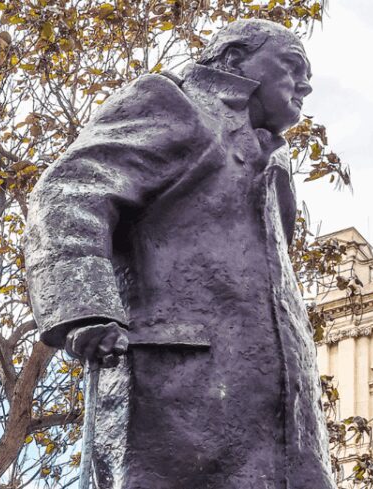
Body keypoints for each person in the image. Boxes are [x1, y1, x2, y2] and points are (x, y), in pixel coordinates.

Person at [24, 19, 335, 489]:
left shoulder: (274, 161)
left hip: (284, 424)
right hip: (178, 398)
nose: (305, 84)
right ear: (234, 60)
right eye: (292, 66)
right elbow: (70, 192)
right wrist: (85, 309)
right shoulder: (174, 104)